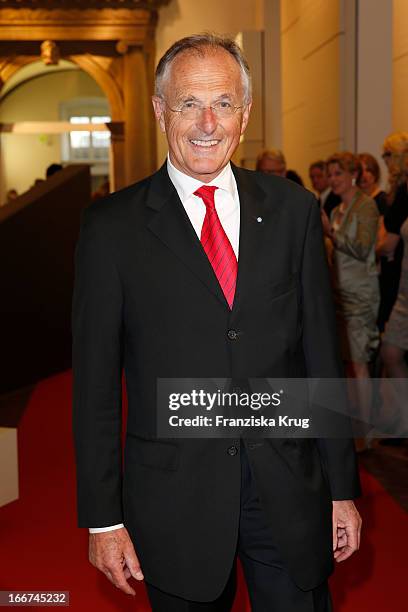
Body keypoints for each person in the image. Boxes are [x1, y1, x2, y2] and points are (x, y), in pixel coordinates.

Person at [73, 34, 361, 612]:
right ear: (160, 111)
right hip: (174, 500)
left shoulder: (293, 212)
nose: (207, 122)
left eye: (223, 103)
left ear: (245, 113)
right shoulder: (111, 228)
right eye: (188, 104)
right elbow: (96, 388)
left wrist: (343, 490)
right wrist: (103, 519)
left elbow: (321, 359)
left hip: (287, 489)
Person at [322, 153, 380, 442]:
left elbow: (361, 247)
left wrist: (330, 233)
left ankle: (367, 432)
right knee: (348, 362)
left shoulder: (366, 206)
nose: (333, 179)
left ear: (352, 175)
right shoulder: (336, 211)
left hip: (361, 294)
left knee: (359, 363)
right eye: (330, 174)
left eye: (338, 174)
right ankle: (355, 422)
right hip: (340, 293)